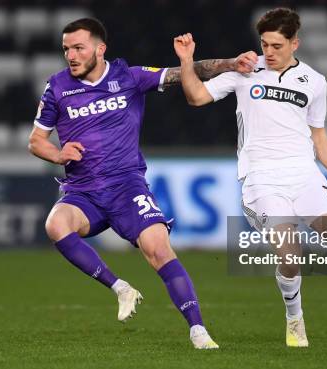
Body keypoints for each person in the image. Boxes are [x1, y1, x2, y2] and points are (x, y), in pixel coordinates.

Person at [28, 17, 255, 349]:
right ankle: (121, 288)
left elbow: (186, 75)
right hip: (83, 192)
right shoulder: (57, 87)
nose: (71, 56)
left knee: (159, 249)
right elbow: (36, 141)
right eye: (66, 49)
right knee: (55, 224)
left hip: (127, 188)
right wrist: (58, 154)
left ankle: (198, 330)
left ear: (99, 48)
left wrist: (229, 64)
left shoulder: (129, 77)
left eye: (78, 48)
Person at [173, 8, 327, 347]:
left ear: (295, 43)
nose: (269, 52)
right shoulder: (245, 71)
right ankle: (294, 318)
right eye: (264, 44)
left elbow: (318, 135)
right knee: (290, 256)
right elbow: (196, 97)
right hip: (261, 179)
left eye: (277, 45)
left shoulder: (315, 81)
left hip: (304, 175)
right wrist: (187, 61)